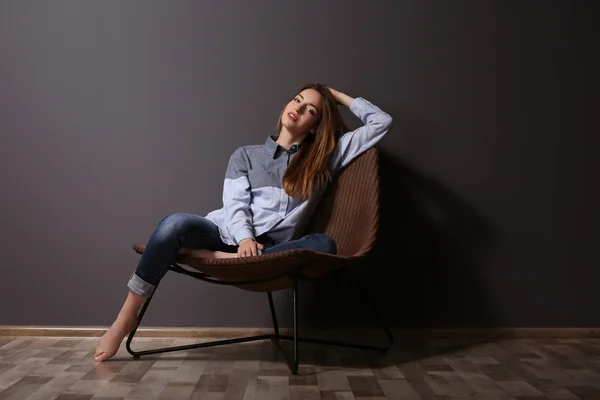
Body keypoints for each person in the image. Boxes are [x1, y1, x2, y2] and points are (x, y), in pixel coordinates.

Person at [94, 83, 393, 362]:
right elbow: (234, 205)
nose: (299, 109)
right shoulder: (246, 155)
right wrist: (244, 239)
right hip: (224, 233)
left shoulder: (324, 158)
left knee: (324, 243)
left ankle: (216, 259)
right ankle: (125, 317)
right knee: (173, 223)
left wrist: (333, 95)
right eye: (297, 100)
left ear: (316, 126)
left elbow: (381, 123)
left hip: (272, 249)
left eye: (310, 110)